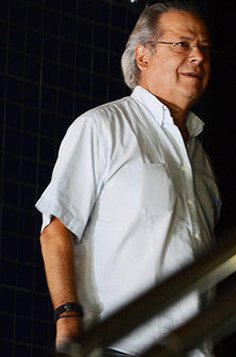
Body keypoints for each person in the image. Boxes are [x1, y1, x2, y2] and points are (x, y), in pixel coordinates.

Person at [35, 3, 220, 354]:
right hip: (121, 342)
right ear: (143, 56)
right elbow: (56, 229)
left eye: (204, 48)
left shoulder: (201, 160)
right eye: (182, 44)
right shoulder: (103, 126)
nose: (197, 56)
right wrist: (67, 316)